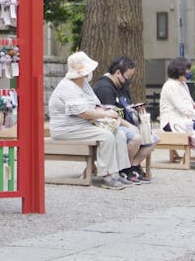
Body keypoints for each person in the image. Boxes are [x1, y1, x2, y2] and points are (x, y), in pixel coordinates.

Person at [48, 51, 135, 190]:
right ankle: (106, 175)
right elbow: (83, 113)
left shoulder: (83, 84)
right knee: (107, 136)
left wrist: (105, 112)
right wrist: (104, 114)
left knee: (118, 133)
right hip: (67, 129)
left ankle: (117, 173)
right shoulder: (67, 87)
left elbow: (94, 104)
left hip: (83, 126)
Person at [92, 56, 157, 183]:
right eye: (127, 78)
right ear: (118, 73)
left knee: (154, 137)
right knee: (136, 137)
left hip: (124, 123)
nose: (128, 81)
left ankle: (133, 165)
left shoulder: (121, 86)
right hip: (110, 125)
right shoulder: (105, 87)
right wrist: (129, 126)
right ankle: (124, 169)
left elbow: (124, 108)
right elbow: (109, 115)